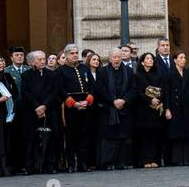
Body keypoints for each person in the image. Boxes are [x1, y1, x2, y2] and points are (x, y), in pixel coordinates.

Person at [93, 48, 135, 169]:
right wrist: (113, 101)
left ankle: (121, 162)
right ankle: (107, 163)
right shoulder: (102, 71)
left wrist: (124, 100)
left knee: (124, 138)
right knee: (109, 140)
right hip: (108, 110)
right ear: (110, 58)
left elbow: (133, 89)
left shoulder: (129, 71)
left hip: (124, 109)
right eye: (114, 57)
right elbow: (100, 89)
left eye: (119, 57)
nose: (117, 60)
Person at [55, 44, 93, 172]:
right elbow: (60, 89)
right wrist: (73, 103)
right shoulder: (60, 71)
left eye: (76, 52)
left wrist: (87, 101)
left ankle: (83, 164)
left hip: (85, 105)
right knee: (71, 137)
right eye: (72, 53)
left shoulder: (84, 68)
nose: (75, 55)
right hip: (70, 107)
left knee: (84, 137)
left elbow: (93, 86)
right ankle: (71, 164)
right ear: (65, 55)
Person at [19, 51, 57, 173]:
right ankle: (30, 166)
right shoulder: (26, 75)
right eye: (39, 59)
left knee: (49, 139)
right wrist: (37, 107)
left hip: (48, 110)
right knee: (31, 140)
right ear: (32, 62)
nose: (43, 61)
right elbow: (25, 93)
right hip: (31, 111)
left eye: (43, 59)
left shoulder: (51, 74)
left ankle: (49, 165)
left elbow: (54, 92)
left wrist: (44, 106)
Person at [163, 51, 189, 165]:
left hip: (188, 106)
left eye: (184, 57)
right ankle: (177, 159)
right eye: (181, 58)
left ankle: (188, 158)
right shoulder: (169, 74)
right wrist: (167, 109)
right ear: (175, 60)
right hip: (175, 107)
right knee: (176, 133)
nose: (183, 60)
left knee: (188, 132)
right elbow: (166, 93)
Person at [132, 52, 165, 168]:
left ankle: (156, 159)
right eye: (147, 58)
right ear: (142, 62)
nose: (150, 60)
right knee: (144, 136)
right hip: (143, 110)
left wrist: (158, 99)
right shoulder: (137, 76)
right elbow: (137, 92)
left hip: (156, 110)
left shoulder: (158, 75)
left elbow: (163, 90)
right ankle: (145, 160)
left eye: (152, 58)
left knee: (156, 135)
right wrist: (149, 100)